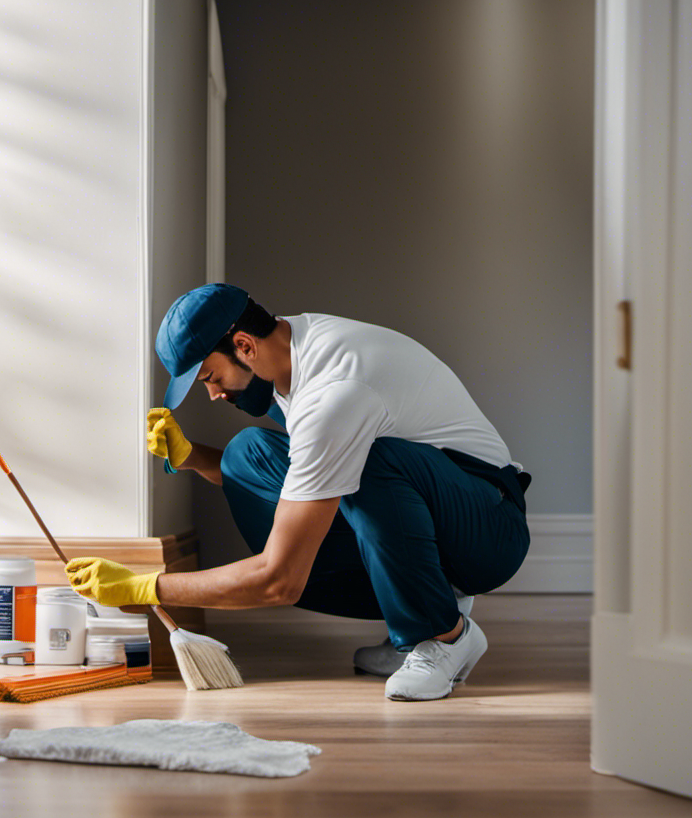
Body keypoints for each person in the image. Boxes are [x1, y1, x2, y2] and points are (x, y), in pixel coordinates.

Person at [66, 283, 531, 701]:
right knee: (246, 453)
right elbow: (304, 485)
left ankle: (443, 636)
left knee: (367, 459)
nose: (213, 395)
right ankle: (412, 619)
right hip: (436, 509)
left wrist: (145, 587)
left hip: (488, 527)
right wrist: (191, 457)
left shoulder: (336, 393)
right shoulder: (294, 347)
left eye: (211, 378)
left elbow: (279, 579)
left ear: (244, 346)